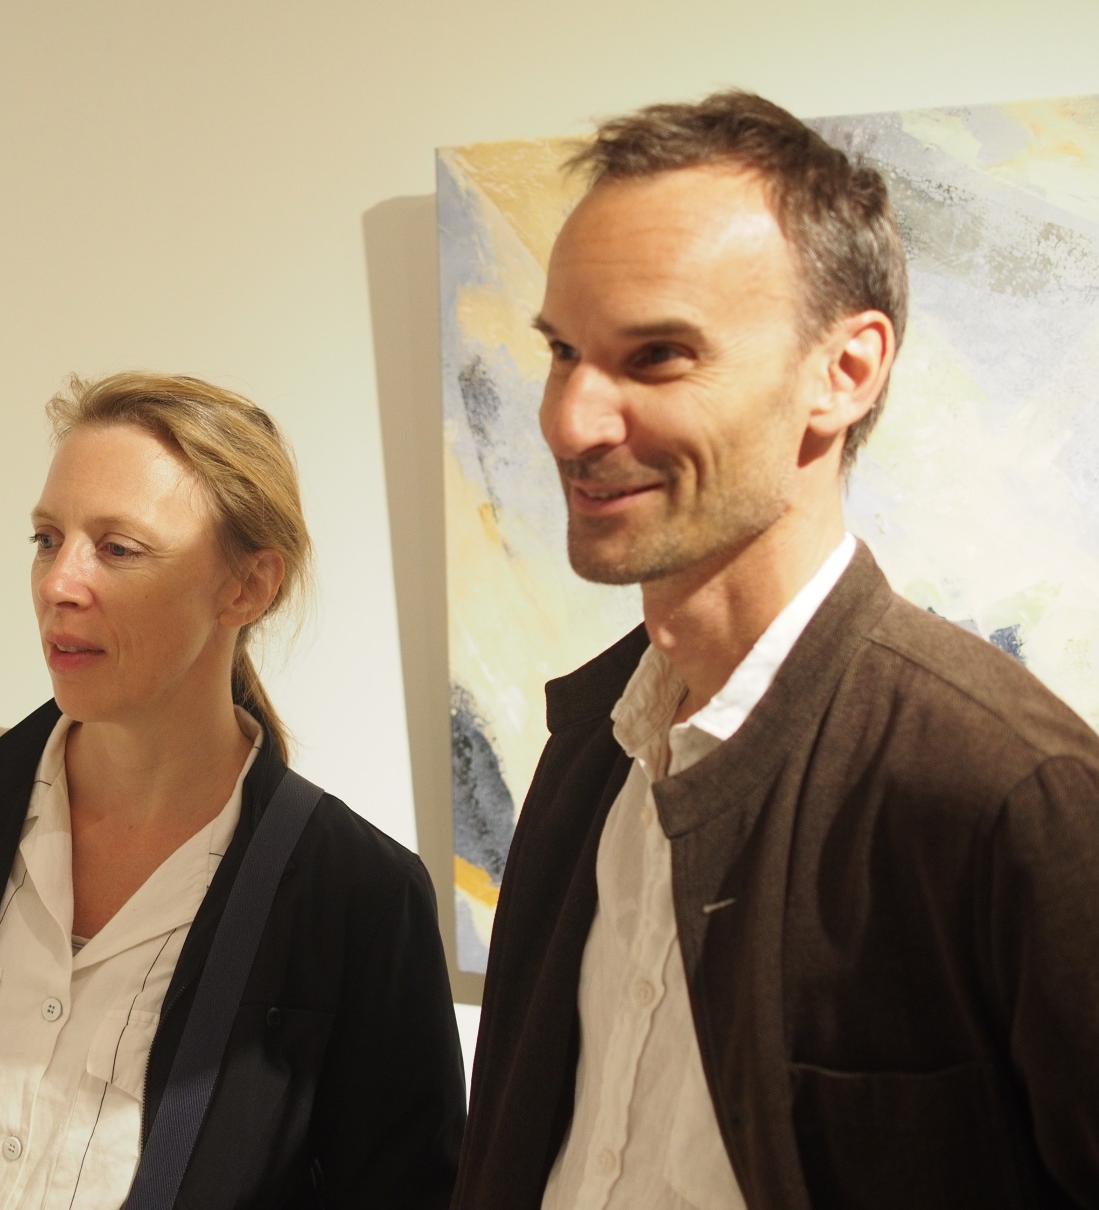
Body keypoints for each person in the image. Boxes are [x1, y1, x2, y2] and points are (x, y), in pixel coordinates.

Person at [452, 92, 1099, 1210]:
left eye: (657, 356)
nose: (569, 422)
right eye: (562, 352)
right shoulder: (587, 750)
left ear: (842, 372)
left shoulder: (1003, 787)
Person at [0, 372, 465, 1210]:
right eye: (46, 539)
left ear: (246, 586)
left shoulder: (358, 897)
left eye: (118, 548)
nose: (58, 583)